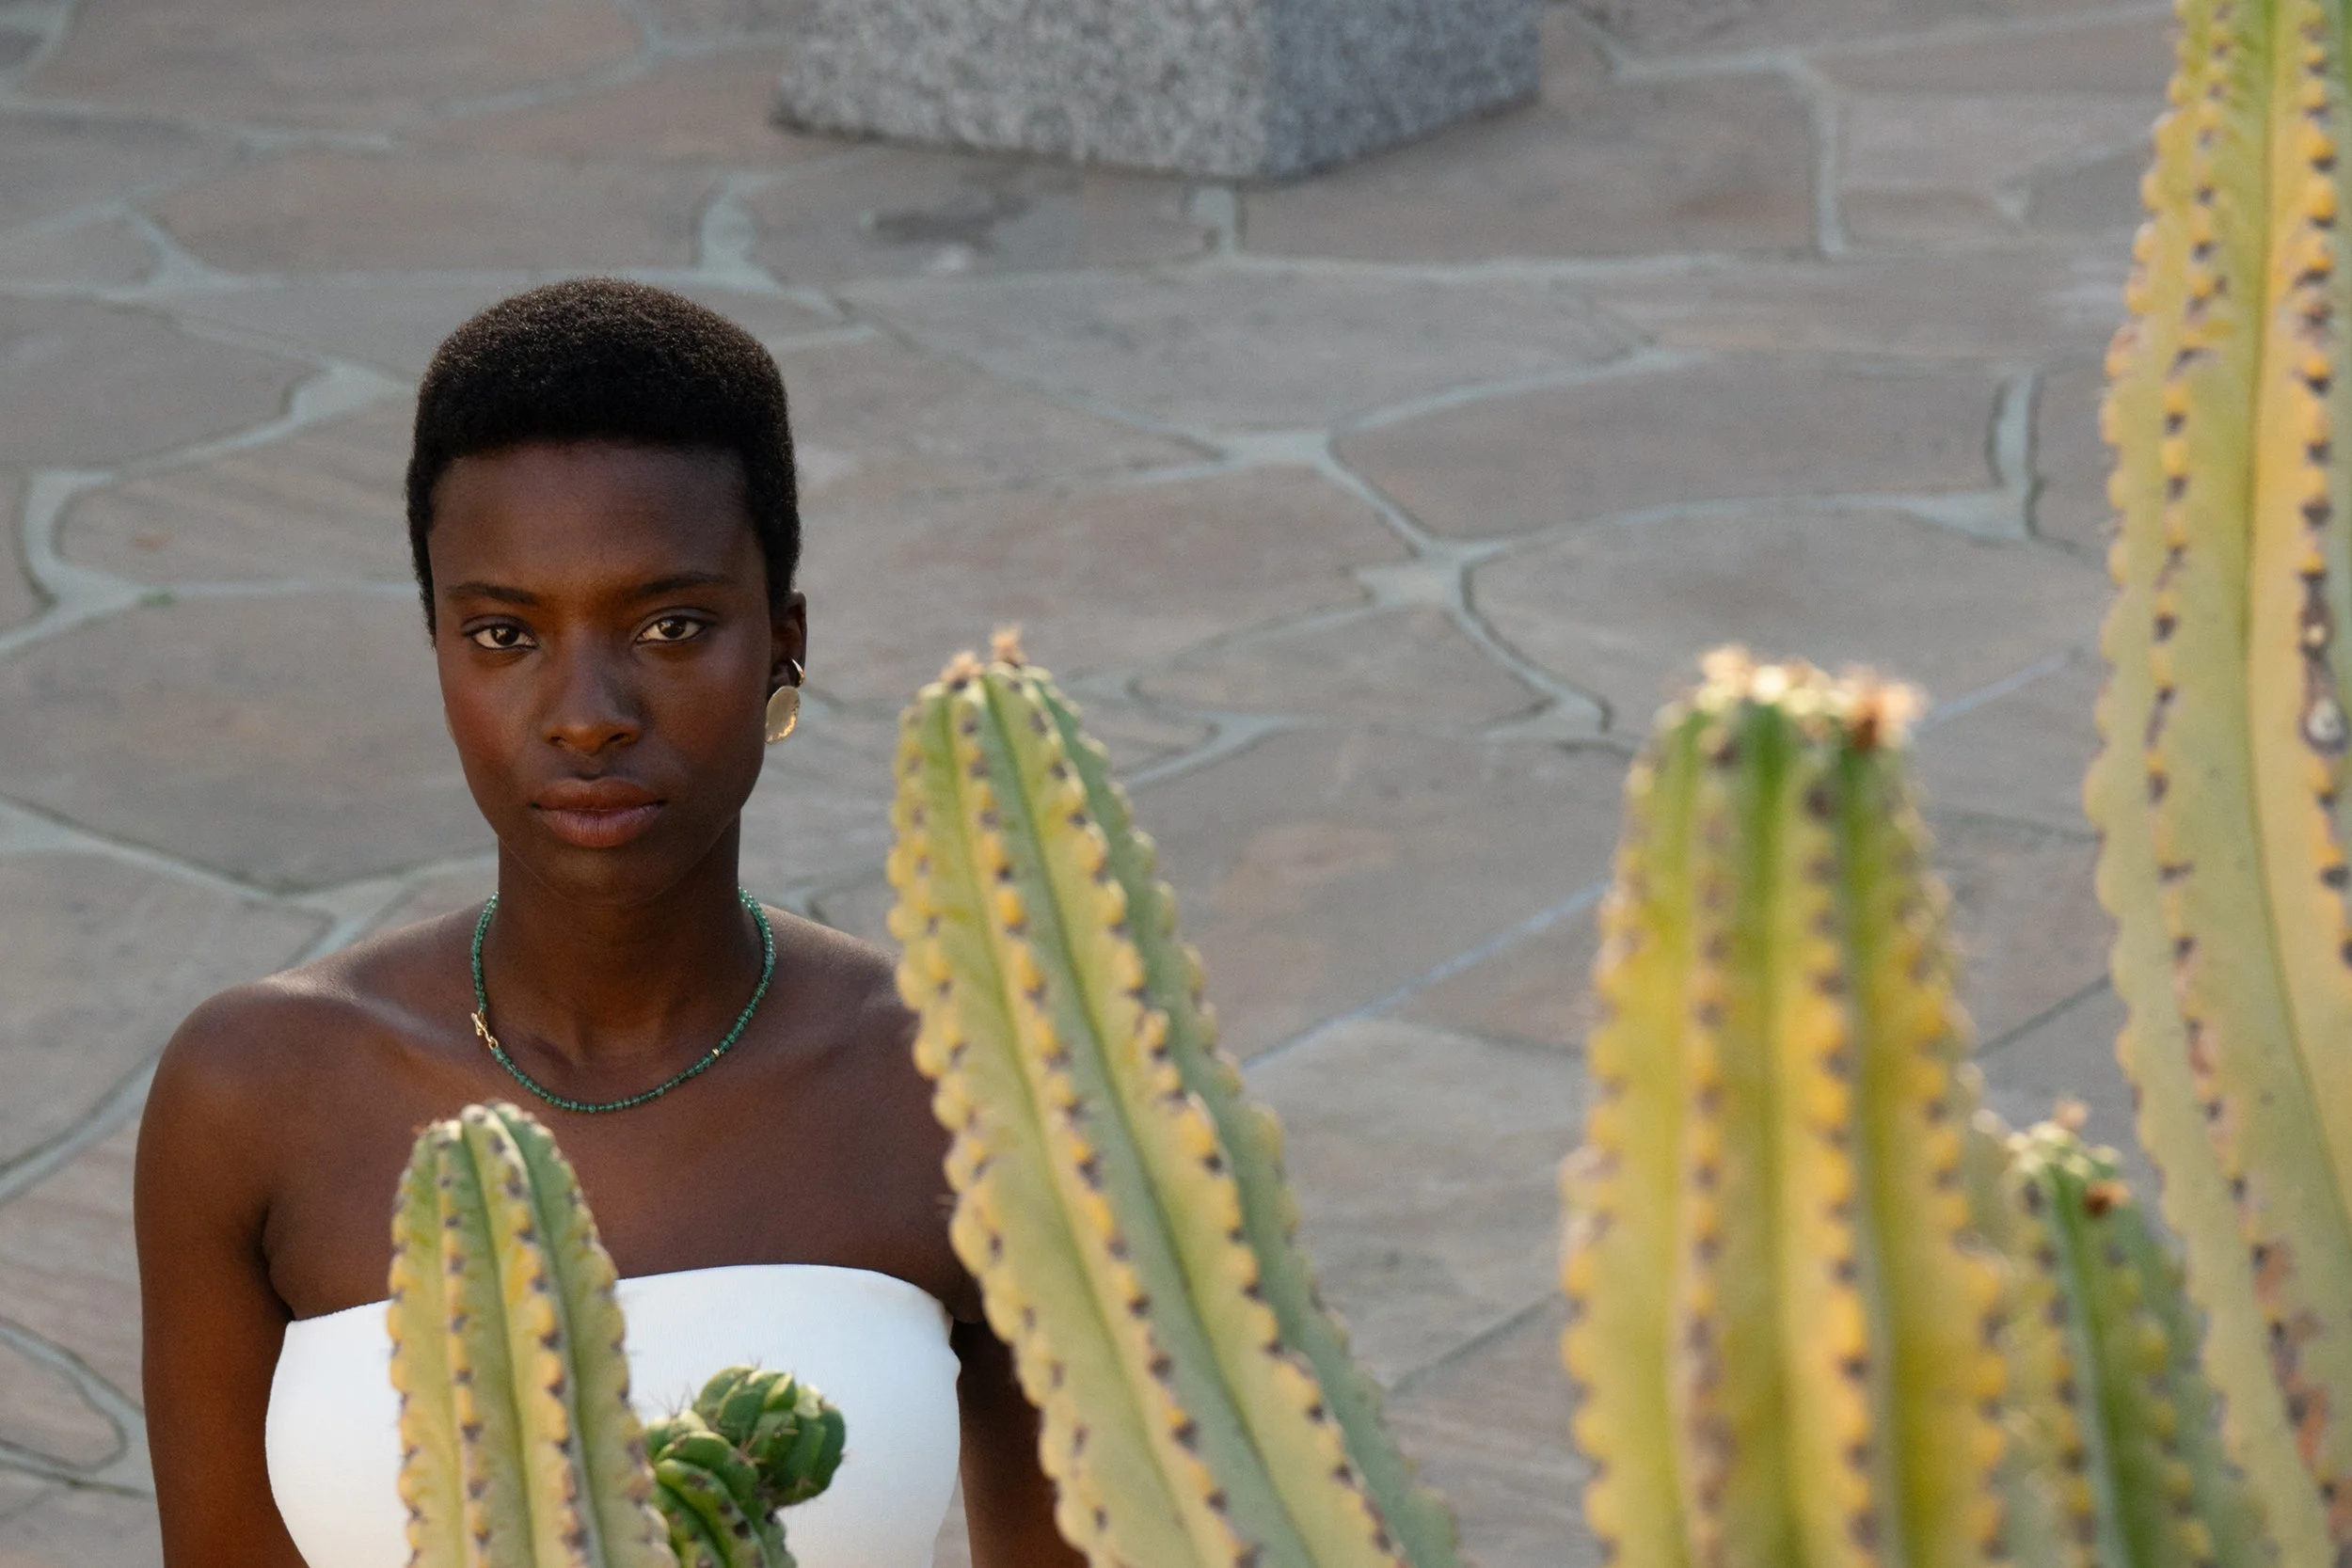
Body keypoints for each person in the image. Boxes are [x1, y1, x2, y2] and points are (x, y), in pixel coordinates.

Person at [134, 279, 1084, 1568]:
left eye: (670, 623)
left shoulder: (961, 1086)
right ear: (439, 650)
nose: (587, 712)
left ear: (784, 645)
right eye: (504, 631)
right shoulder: (254, 1092)